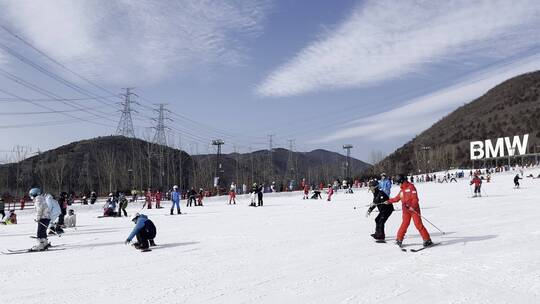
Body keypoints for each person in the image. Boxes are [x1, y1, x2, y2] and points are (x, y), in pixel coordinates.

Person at [386, 175, 433, 248]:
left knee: (418, 224)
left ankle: (427, 239)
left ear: (402, 181)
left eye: (398, 183)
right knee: (404, 224)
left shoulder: (411, 187)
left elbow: (415, 199)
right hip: (406, 211)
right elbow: (396, 198)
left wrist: (412, 206)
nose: (398, 185)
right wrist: (388, 201)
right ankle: (399, 239)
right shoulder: (402, 190)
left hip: (414, 210)